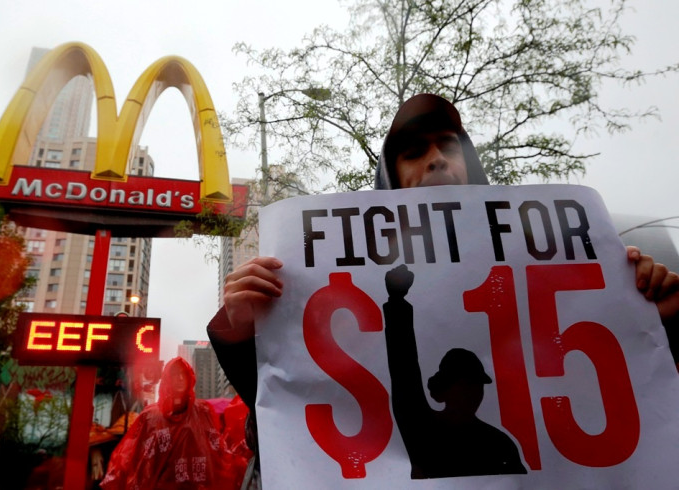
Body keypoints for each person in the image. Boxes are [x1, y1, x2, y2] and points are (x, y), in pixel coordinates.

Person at [208, 94, 679, 486]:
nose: (436, 159)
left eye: (447, 146)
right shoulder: (425, 423)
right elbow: (293, 400)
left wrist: (656, 317)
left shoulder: (501, 442)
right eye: (413, 151)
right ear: (391, 176)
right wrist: (241, 328)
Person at [383, 264, 526, 478]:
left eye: (477, 385)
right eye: (466, 384)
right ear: (447, 387)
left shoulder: (499, 444)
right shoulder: (423, 430)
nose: (474, 392)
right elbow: (404, 369)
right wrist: (396, 302)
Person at [100, 357, 243, 489]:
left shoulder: (203, 412)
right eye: (175, 374)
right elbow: (134, 459)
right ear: (167, 379)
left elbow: (219, 454)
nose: (180, 379)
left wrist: (240, 464)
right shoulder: (150, 417)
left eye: (184, 374)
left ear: (190, 378)